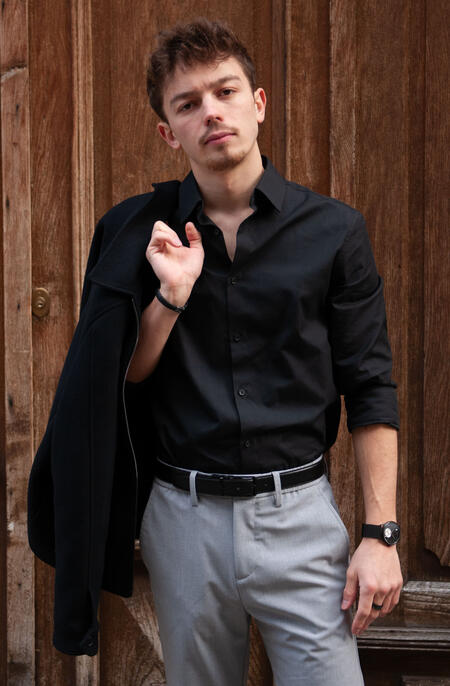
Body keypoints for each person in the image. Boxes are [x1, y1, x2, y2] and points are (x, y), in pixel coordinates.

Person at [123, 17, 403, 686]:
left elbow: (370, 385)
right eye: (188, 103)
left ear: (258, 102)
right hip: (183, 520)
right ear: (168, 132)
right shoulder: (139, 233)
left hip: (298, 517)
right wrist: (171, 297)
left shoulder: (334, 231)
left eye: (225, 91)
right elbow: (122, 375)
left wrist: (381, 534)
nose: (211, 112)